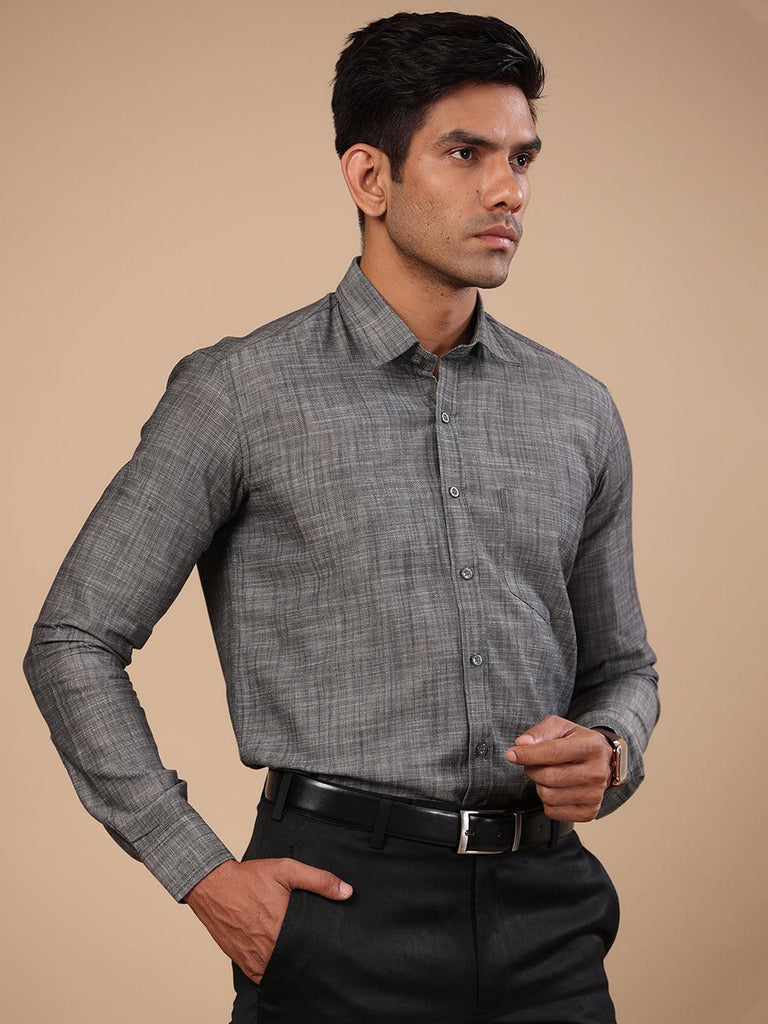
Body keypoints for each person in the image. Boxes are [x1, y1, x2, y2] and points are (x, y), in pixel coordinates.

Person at [23, 11, 659, 1024]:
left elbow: (623, 668)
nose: (509, 190)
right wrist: (202, 874)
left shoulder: (577, 410)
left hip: (550, 917)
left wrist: (612, 747)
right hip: (337, 912)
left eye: (522, 158)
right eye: (467, 154)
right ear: (370, 178)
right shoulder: (240, 394)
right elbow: (72, 641)